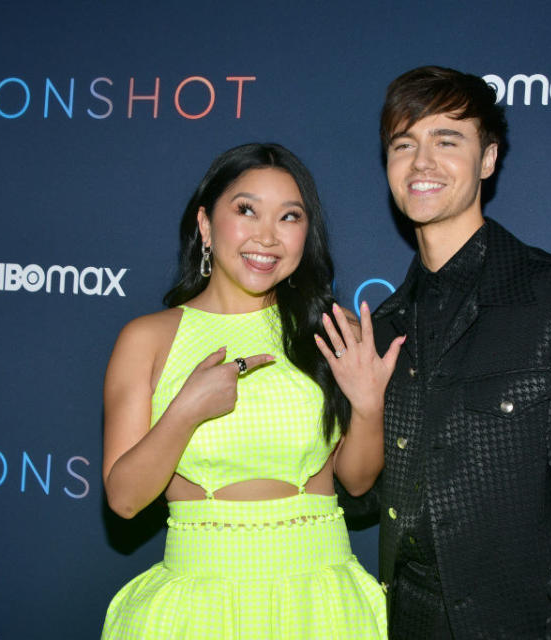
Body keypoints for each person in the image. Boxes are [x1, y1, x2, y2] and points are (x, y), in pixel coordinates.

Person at [340, 66, 551, 638]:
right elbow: (358, 500)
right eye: (403, 144)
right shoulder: (384, 331)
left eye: (447, 140)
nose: (421, 162)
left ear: (488, 159)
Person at [100, 143, 403, 639]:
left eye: (289, 217)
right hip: (200, 605)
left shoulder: (332, 328)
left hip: (321, 605)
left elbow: (358, 480)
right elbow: (126, 500)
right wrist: (186, 412)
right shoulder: (149, 339)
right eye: (246, 210)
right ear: (205, 224)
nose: (267, 236)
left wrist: (368, 404)